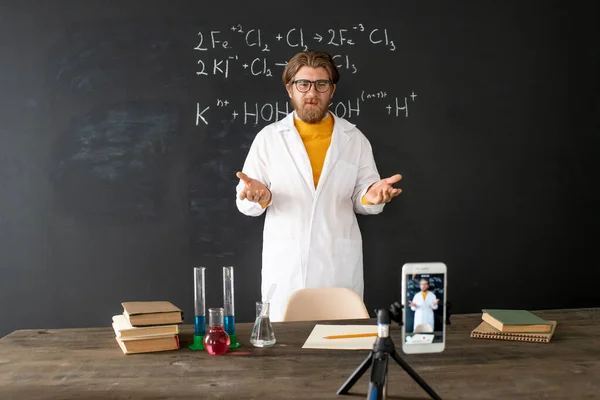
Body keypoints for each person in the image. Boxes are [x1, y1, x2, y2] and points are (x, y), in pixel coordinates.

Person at [235, 50, 402, 321]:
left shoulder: (354, 139)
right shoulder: (269, 139)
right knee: (286, 348)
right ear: (290, 89)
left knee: (340, 343)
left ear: (332, 90)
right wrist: (259, 196)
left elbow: (364, 198)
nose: (311, 93)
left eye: (320, 84)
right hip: (287, 266)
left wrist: (372, 196)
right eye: (303, 84)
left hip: (338, 264)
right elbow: (246, 204)